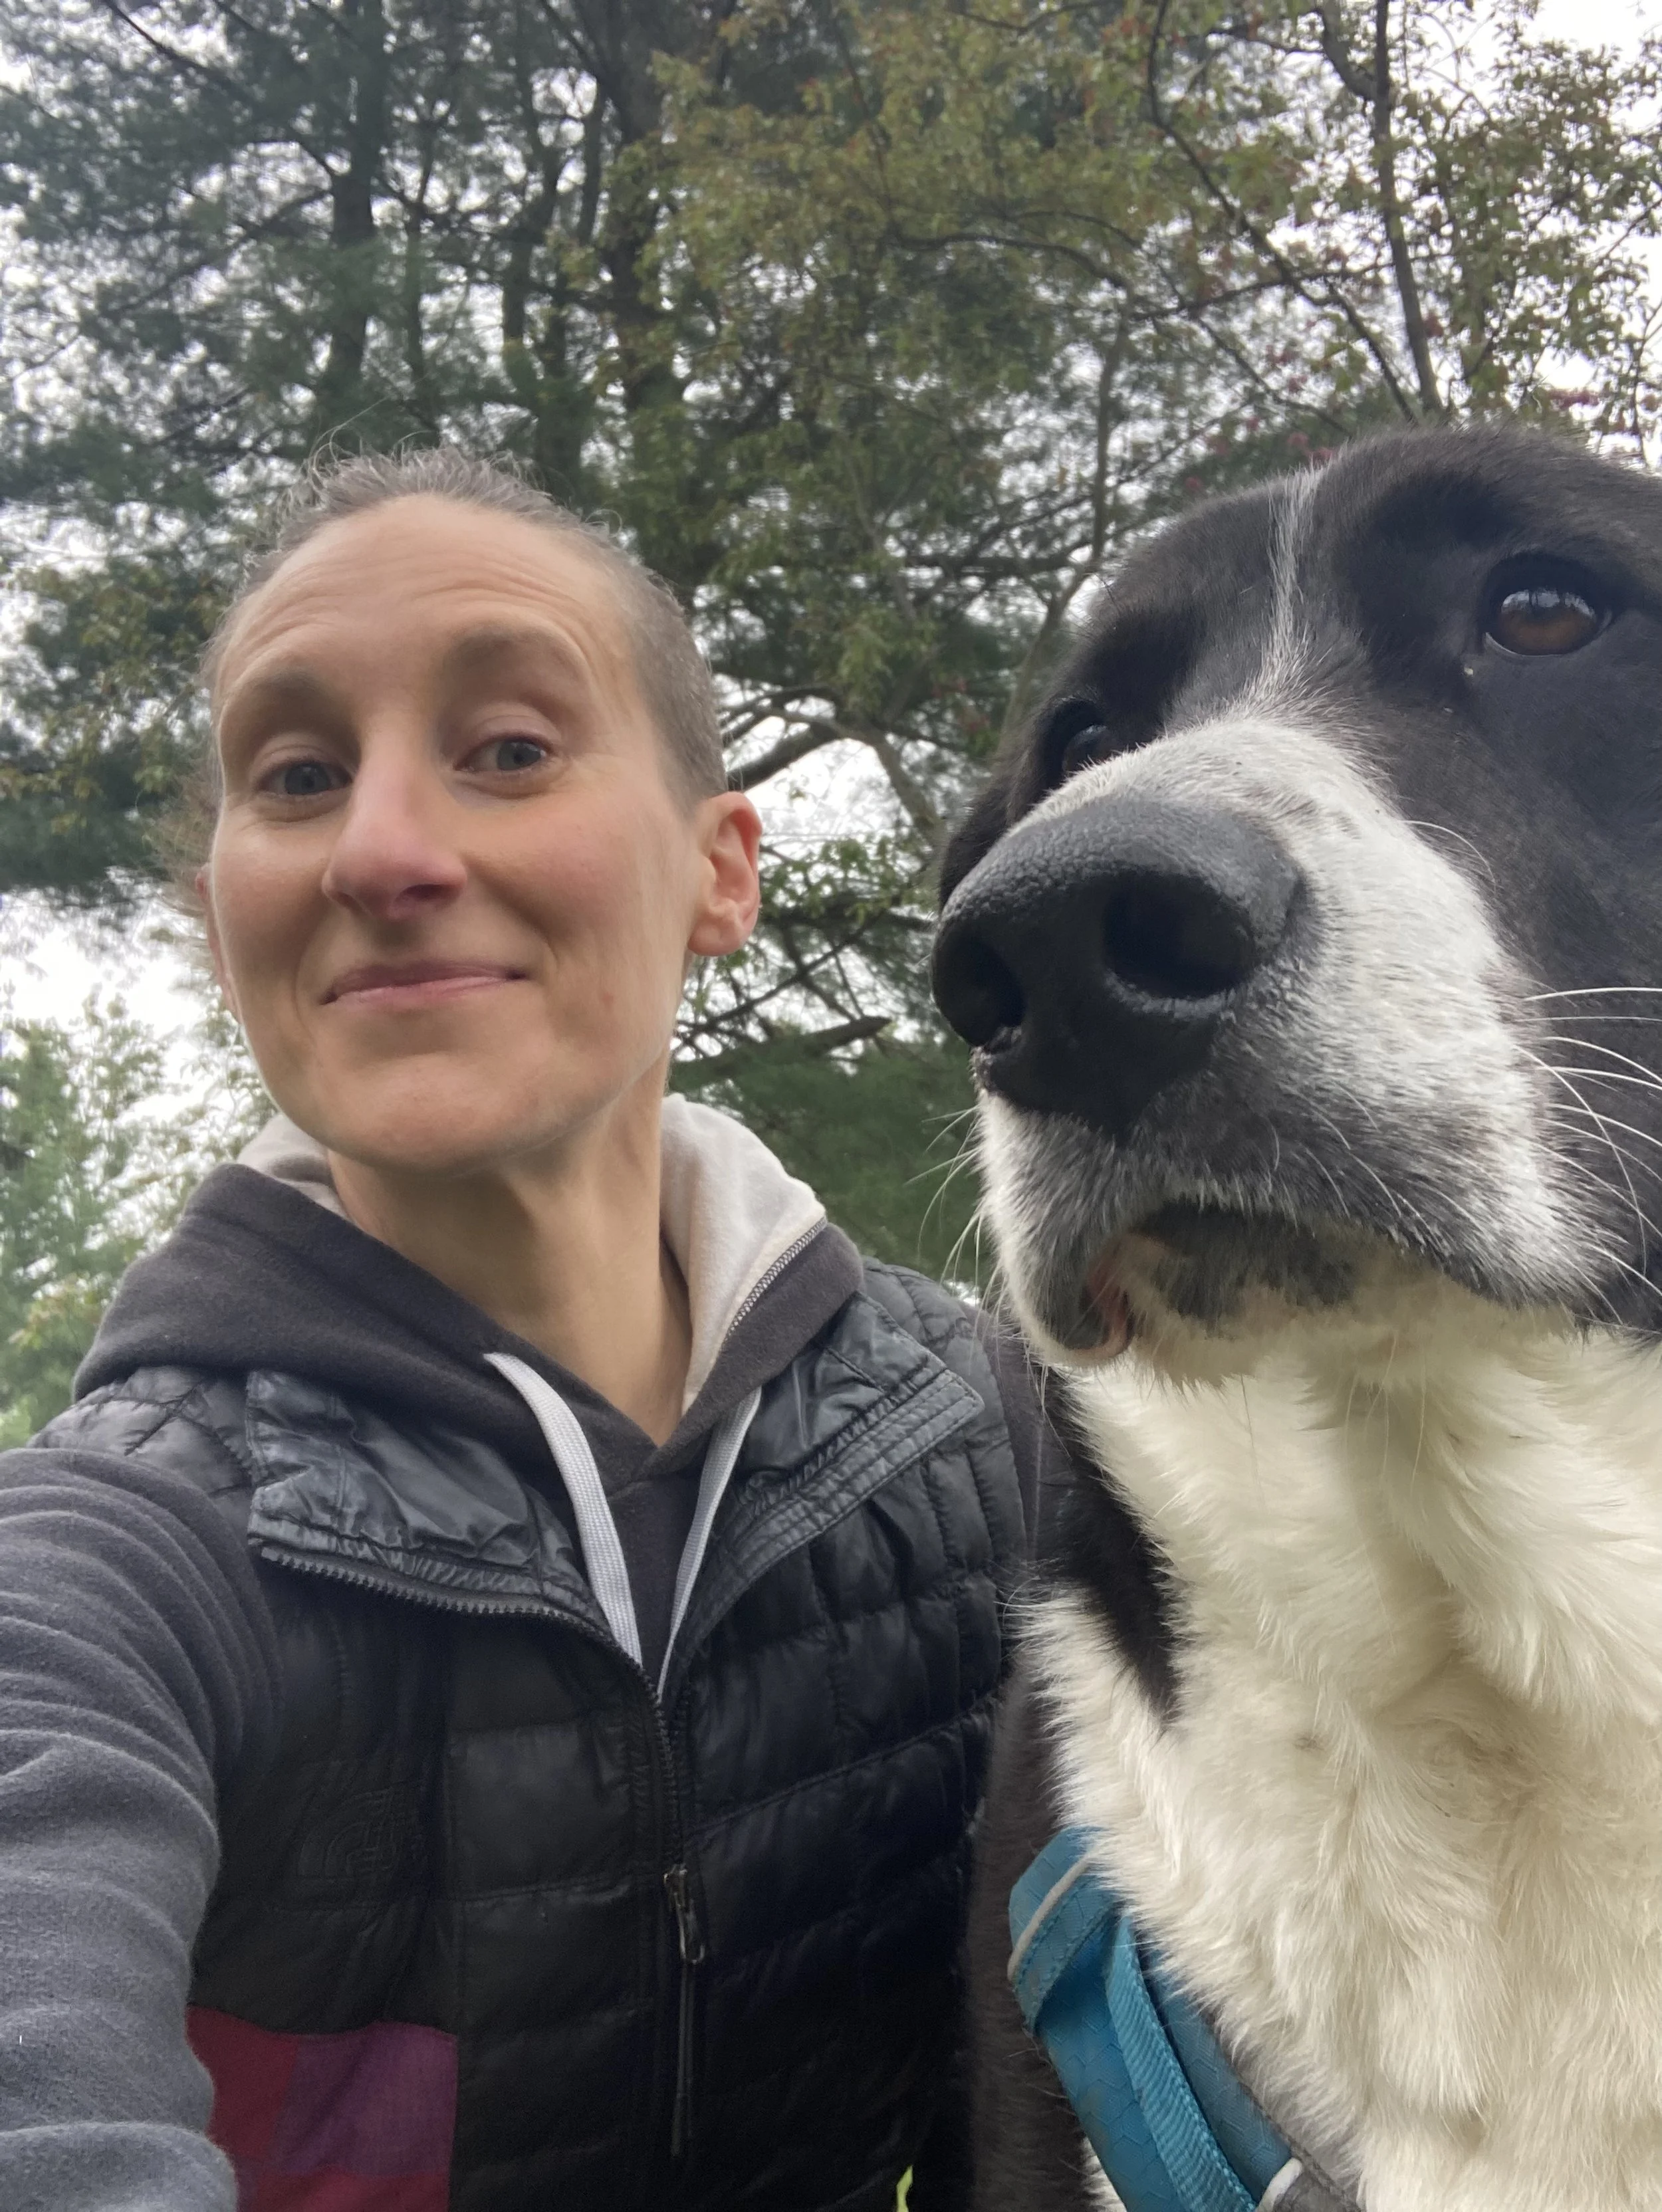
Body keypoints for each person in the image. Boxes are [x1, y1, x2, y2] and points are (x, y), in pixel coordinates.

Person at [0, 449, 1056, 2211]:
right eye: (297, 774)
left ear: (723, 872)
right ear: (221, 915)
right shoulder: (111, 1566)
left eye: (506, 749)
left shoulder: (996, 1441)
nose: (385, 850)